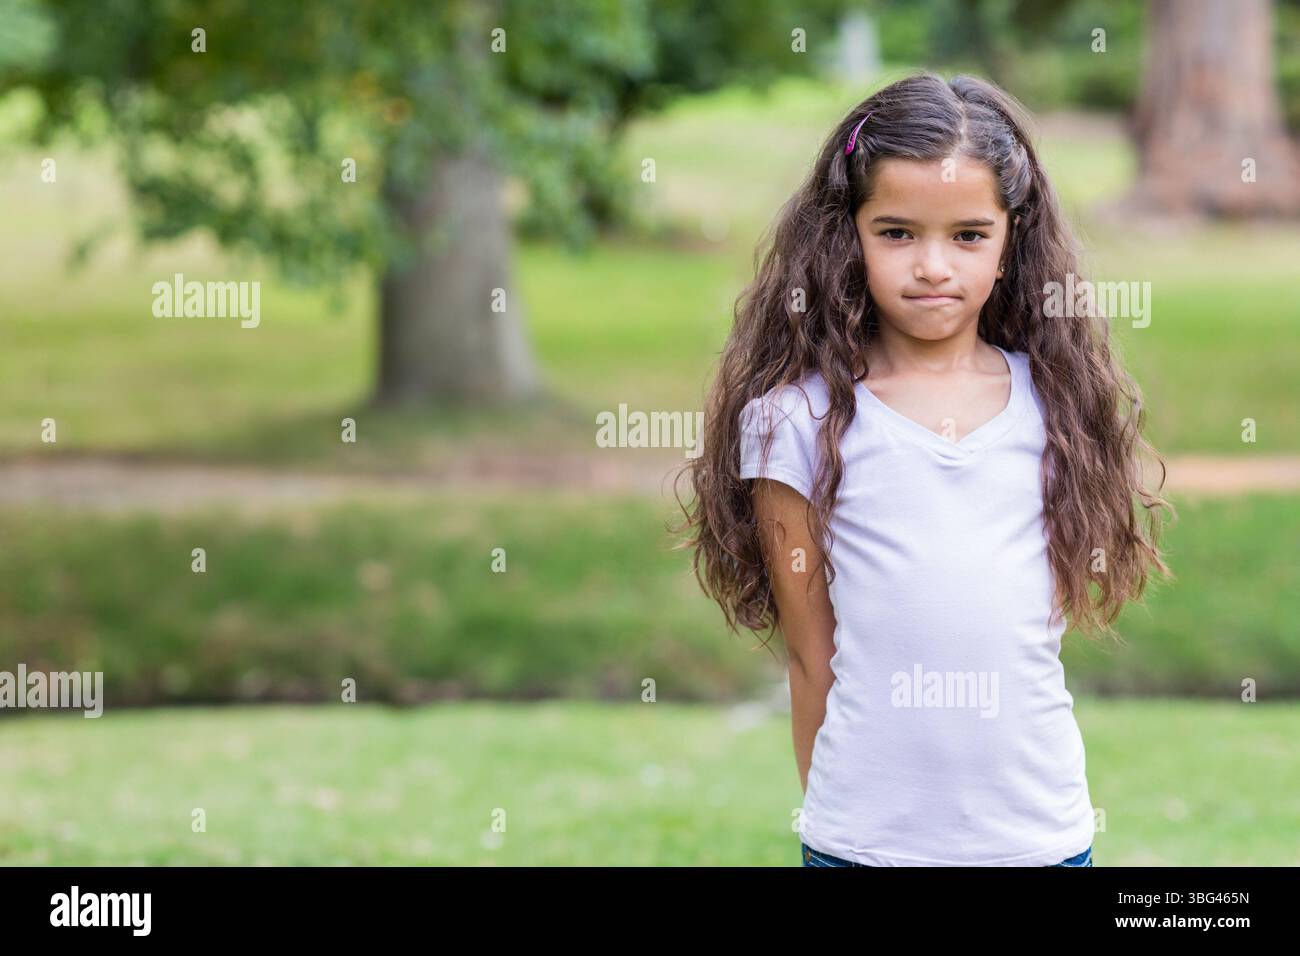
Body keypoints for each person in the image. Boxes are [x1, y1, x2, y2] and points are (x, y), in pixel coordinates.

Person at [674, 72, 1176, 866]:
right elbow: (812, 654)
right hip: (863, 846)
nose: (933, 266)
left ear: (1013, 241)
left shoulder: (1057, 408)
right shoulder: (793, 424)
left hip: (1039, 840)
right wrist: (841, 822)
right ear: (850, 235)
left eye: (969, 235)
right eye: (898, 232)